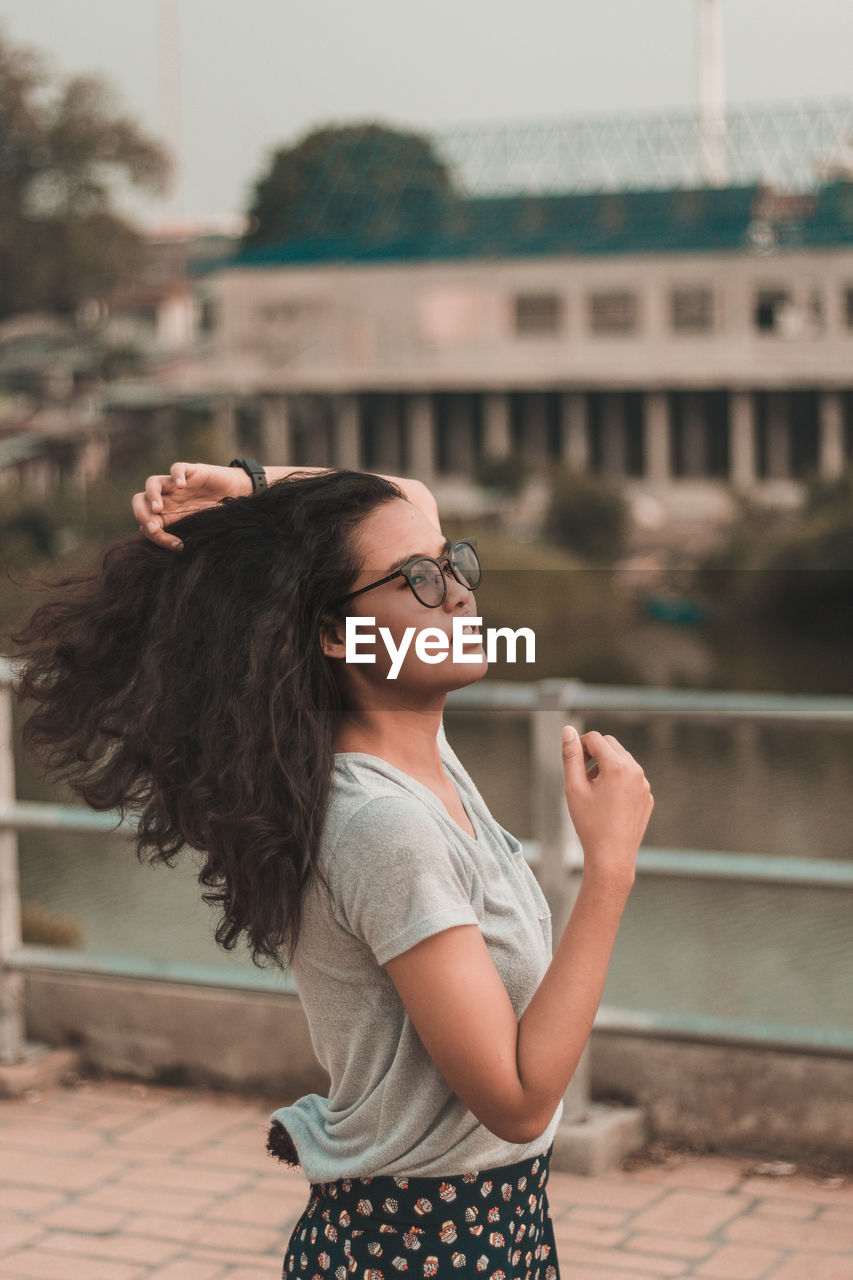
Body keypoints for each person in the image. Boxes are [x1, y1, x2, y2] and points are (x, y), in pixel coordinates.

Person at [12, 458, 653, 1280]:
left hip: (487, 1228)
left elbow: (406, 497)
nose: (455, 591)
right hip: (423, 1249)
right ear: (331, 634)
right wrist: (608, 868)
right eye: (416, 582)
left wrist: (248, 485)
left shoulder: (416, 752)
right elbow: (520, 1102)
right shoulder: (385, 824)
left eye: (453, 564)